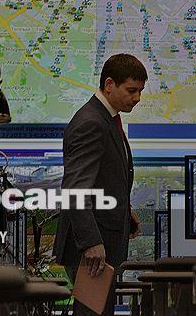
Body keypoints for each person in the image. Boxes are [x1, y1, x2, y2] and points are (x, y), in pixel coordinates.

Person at [54, 54, 146, 315]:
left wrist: (123, 210)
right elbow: (75, 190)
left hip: (102, 244)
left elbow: (102, 178)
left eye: (140, 91)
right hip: (92, 251)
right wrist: (91, 243)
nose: (137, 98)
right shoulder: (92, 123)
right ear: (109, 85)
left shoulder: (105, 118)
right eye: (131, 90)